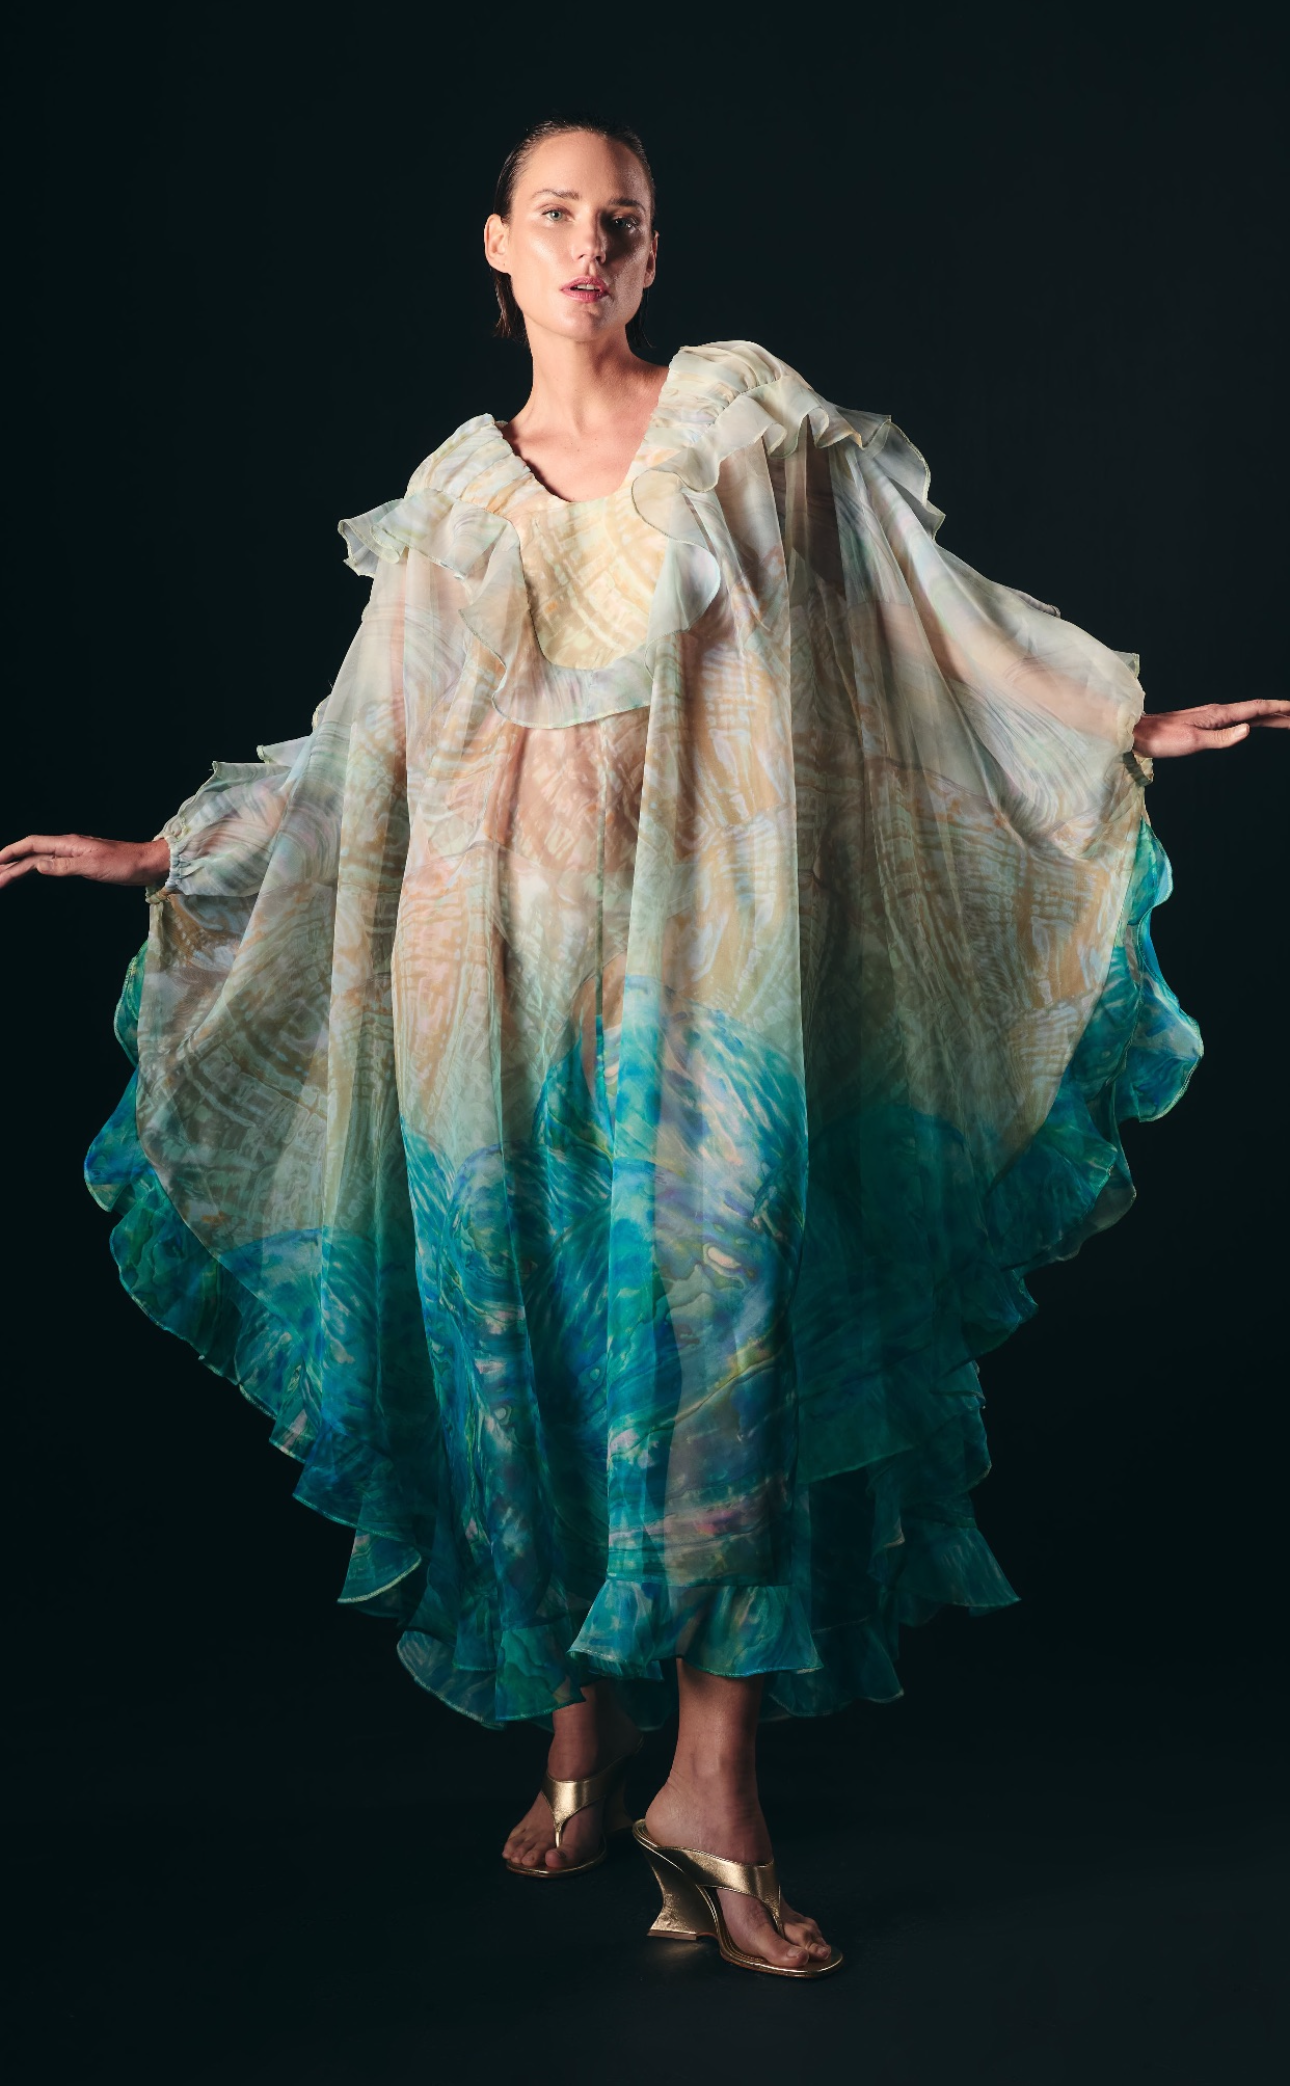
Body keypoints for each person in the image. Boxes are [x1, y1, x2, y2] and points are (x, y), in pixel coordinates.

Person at [2, 116, 1285, 1982]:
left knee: (719, 1338)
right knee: (525, 1332)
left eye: (621, 222)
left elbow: (912, 613)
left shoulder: (740, 424)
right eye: (557, 217)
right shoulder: (455, 496)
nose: (588, 247)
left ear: (653, 255)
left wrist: (1108, 721)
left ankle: (715, 1788)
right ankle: (576, 1733)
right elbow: (364, 752)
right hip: (486, 988)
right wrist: (171, 851)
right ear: (499, 246)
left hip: (712, 979)